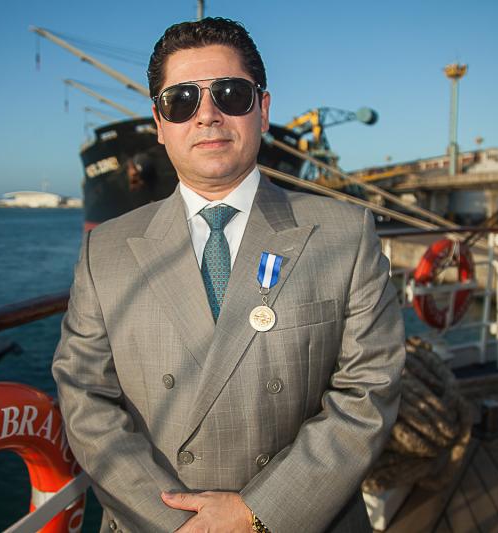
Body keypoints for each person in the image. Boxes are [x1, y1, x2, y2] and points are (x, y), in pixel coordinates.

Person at [53, 17, 405, 533]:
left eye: (231, 94)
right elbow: (84, 396)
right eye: (181, 101)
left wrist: (258, 513)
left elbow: (370, 389)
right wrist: (173, 522)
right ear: (159, 122)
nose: (207, 114)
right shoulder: (103, 250)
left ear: (263, 109)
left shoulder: (345, 234)